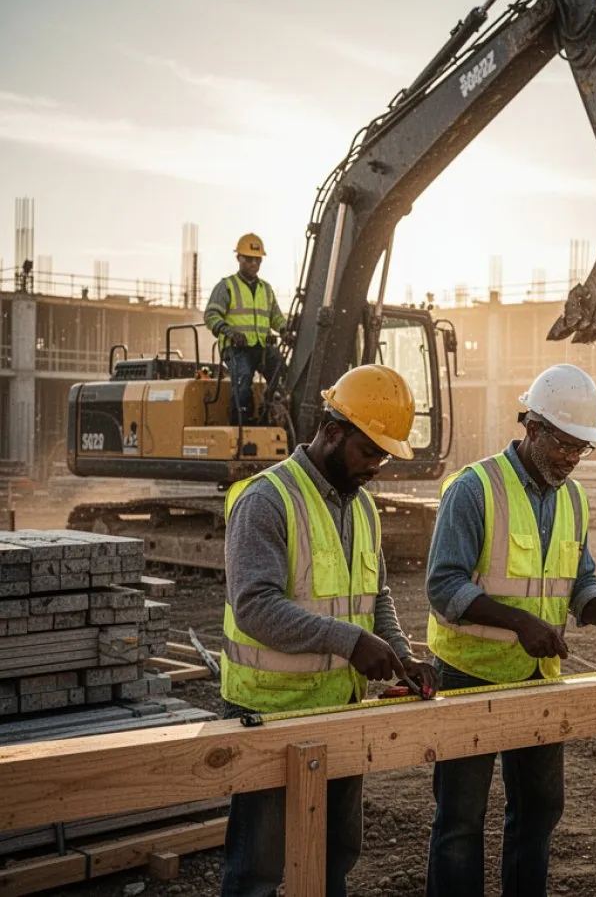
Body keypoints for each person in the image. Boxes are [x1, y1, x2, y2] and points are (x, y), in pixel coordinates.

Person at [424, 363, 596, 897]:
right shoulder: (474, 488)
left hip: (537, 679)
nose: (572, 458)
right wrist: (518, 622)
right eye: (564, 445)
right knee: (460, 820)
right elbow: (442, 585)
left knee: (540, 810)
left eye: (582, 448)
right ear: (532, 427)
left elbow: (581, 578)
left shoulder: (572, 498)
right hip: (469, 675)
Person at [219, 364, 439, 897]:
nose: (376, 467)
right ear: (334, 432)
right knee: (259, 871)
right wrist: (350, 641)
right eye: (369, 452)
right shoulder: (266, 499)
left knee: (334, 856)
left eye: (384, 456)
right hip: (269, 716)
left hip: (338, 712)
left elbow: (375, 595)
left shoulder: (362, 507)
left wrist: (400, 653)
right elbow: (255, 607)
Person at [203, 233, 289, 426]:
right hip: (236, 348)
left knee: (284, 374)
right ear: (239, 259)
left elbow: (275, 316)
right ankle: (242, 424)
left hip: (261, 347)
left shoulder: (266, 289)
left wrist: (284, 329)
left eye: (257, 259)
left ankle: (272, 410)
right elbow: (211, 315)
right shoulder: (226, 286)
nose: (253, 263)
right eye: (248, 259)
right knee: (243, 379)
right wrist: (229, 331)